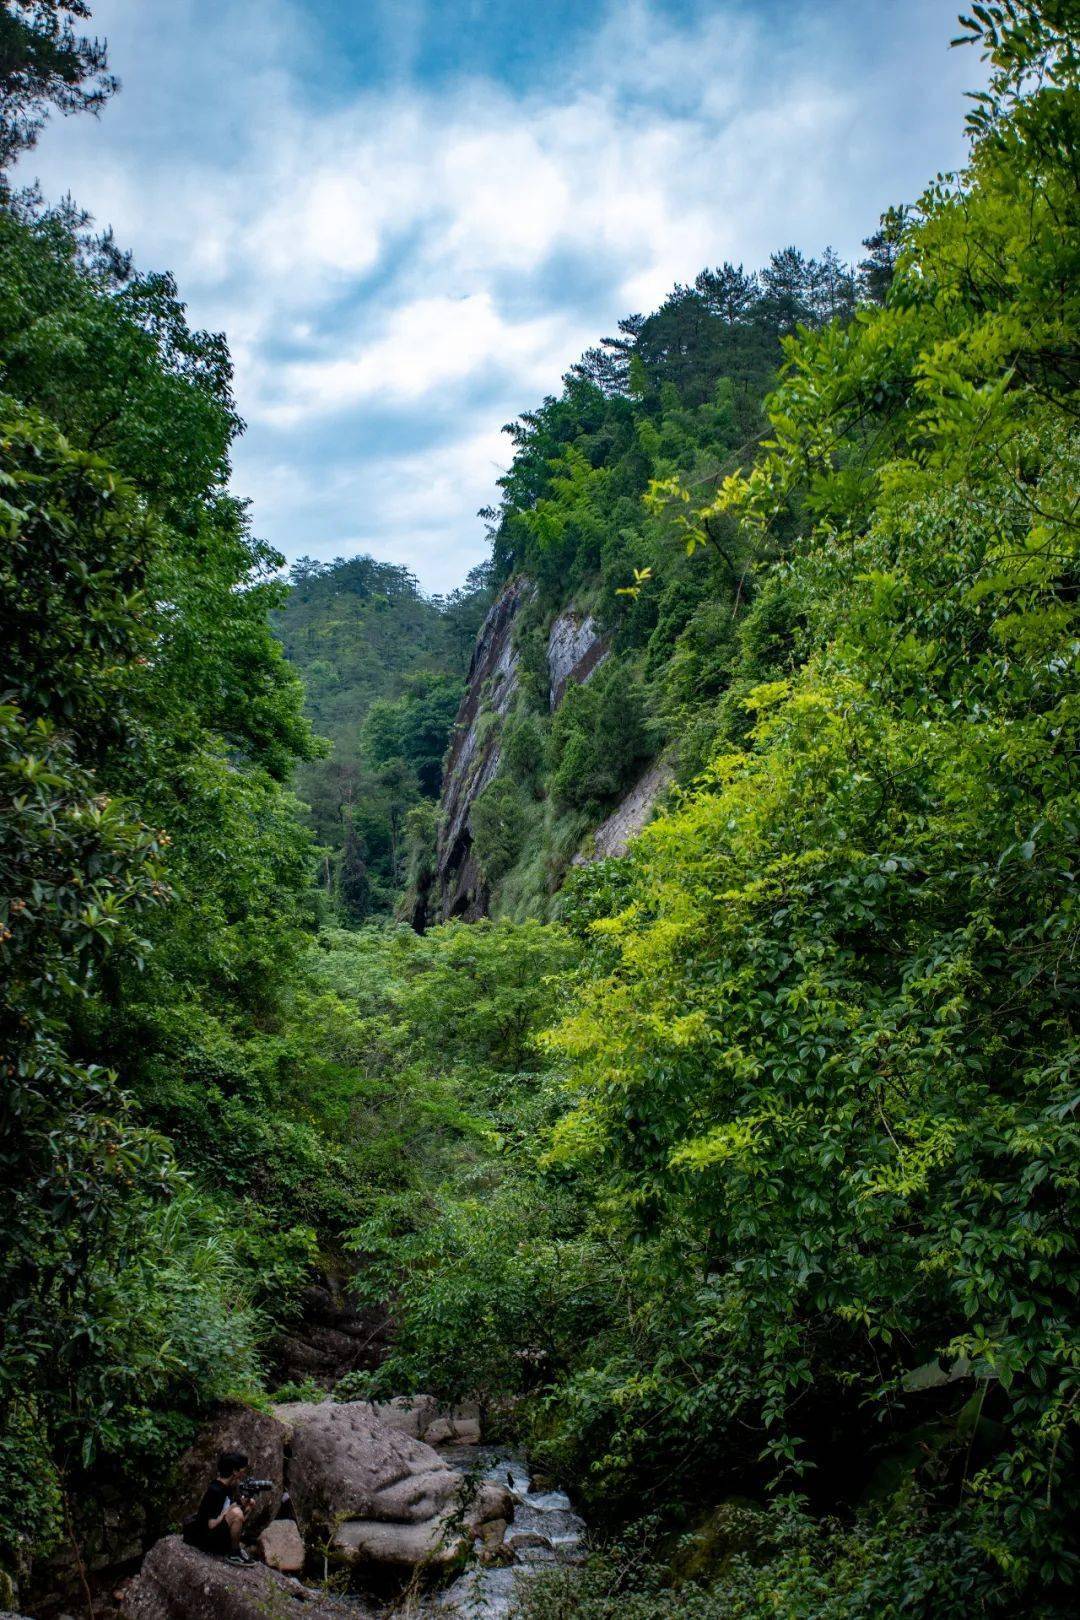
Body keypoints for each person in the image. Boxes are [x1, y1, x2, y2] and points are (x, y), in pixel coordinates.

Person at [187, 1450, 253, 1563]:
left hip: (218, 1533)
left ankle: (233, 1546)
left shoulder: (227, 1487)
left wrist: (243, 1505)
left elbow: (229, 1509)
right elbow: (211, 1524)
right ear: (234, 1471)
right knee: (236, 1513)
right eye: (243, 1469)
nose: (244, 1472)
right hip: (205, 1539)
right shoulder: (215, 1491)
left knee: (248, 1506)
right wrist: (228, 1511)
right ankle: (234, 1553)